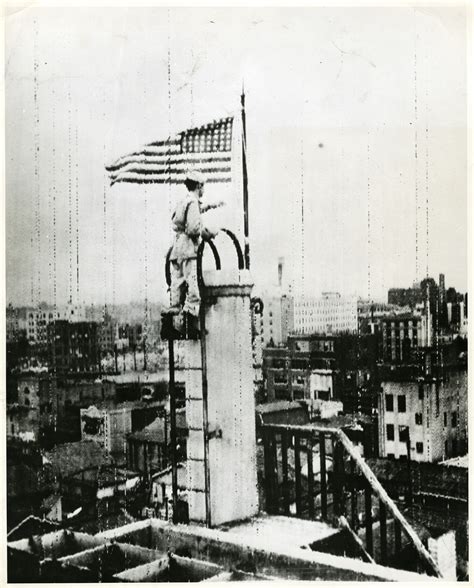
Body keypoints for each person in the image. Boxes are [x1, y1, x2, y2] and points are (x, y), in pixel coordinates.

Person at [163, 170, 223, 335]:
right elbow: (194, 228)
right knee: (193, 288)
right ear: (198, 186)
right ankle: (190, 327)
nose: (204, 189)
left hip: (177, 250)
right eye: (203, 186)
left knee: (177, 286)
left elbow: (185, 218)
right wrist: (209, 233)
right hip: (189, 249)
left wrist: (210, 206)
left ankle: (170, 324)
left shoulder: (184, 201)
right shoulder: (193, 203)